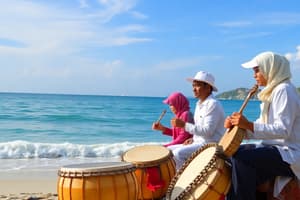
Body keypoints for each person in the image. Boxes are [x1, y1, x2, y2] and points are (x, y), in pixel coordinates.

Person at [224, 51, 300, 200]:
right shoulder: (272, 92)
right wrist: (238, 127)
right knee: (232, 154)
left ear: (270, 68)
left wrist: (247, 124)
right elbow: (261, 126)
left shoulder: (284, 90)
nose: (254, 75)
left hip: (288, 152)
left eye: (257, 70)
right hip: (274, 149)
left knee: (241, 158)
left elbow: (282, 130)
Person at [169, 71, 226, 170]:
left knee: (178, 154)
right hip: (200, 143)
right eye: (193, 86)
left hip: (212, 144)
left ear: (208, 88)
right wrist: (194, 139)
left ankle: (185, 181)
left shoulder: (213, 104)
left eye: (197, 86)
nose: (193, 89)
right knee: (168, 151)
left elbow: (208, 131)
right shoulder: (199, 104)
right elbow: (201, 129)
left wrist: (184, 125)